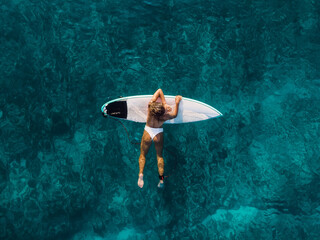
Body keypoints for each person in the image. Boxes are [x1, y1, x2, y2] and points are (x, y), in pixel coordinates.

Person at [137, 89, 182, 188]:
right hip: (158, 134)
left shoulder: (150, 106)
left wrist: (163, 103)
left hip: (147, 132)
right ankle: (161, 180)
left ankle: (141, 174)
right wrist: (177, 102)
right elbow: (175, 114)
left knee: (143, 155)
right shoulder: (164, 116)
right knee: (159, 157)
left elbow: (159, 90)